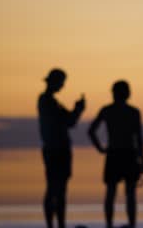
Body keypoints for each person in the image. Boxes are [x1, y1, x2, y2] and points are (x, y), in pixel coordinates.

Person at [89, 80, 143, 228]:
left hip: (115, 154)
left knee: (112, 192)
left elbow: (91, 131)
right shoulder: (133, 112)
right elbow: (139, 139)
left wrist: (101, 148)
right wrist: (142, 161)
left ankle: (110, 225)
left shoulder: (107, 110)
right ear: (127, 94)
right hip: (128, 155)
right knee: (129, 193)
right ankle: (131, 225)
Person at [38, 68, 85, 228]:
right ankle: (54, 225)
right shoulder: (47, 101)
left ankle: (59, 224)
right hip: (55, 150)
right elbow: (68, 120)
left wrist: (77, 110)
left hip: (58, 149)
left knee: (59, 189)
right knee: (54, 188)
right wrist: (78, 110)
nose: (62, 85)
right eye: (61, 82)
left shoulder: (50, 102)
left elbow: (69, 121)